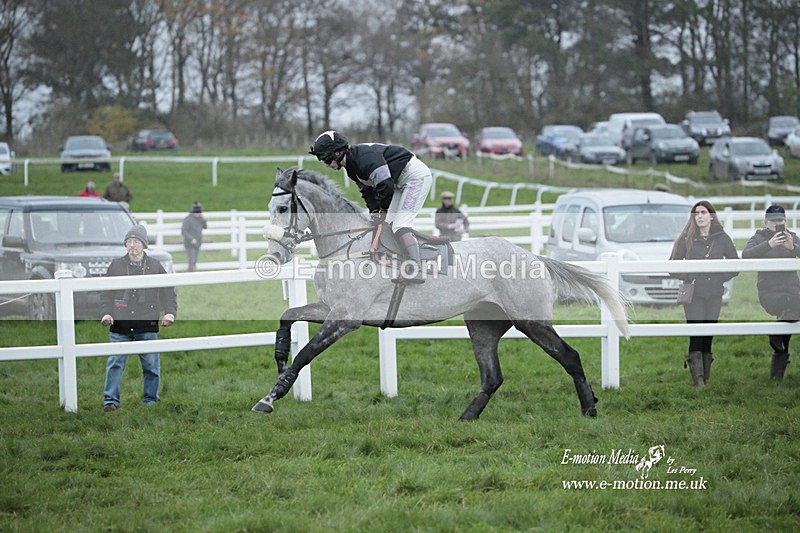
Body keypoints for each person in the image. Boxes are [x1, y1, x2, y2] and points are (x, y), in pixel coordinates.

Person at [309, 130, 433, 283]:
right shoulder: (352, 168)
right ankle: (398, 263)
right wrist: (374, 211)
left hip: (415, 177)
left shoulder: (364, 159)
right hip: (398, 182)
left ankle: (416, 270)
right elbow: (368, 192)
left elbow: (385, 185)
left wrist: (383, 210)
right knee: (387, 224)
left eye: (325, 159)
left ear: (337, 153)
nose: (326, 164)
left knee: (400, 225)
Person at [100, 224, 177, 411]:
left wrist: (170, 312)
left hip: (147, 324)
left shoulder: (155, 266)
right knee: (115, 364)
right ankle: (110, 401)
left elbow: (168, 291)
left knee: (151, 365)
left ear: (144, 245)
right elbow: (105, 293)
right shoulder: (116, 266)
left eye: (136, 241)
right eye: (129, 241)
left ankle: (151, 400)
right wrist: (106, 313)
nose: (132, 245)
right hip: (120, 326)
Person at [669, 200, 739, 387]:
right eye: (696, 213)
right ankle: (698, 379)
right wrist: (690, 277)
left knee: (709, 333)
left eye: (703, 212)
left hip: (714, 293)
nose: (699, 216)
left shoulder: (722, 237)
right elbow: (672, 265)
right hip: (694, 294)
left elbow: (735, 264)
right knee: (696, 333)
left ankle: (706, 376)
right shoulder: (686, 238)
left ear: (711, 216)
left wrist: (718, 278)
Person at [742, 204, 800, 380]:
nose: (777, 224)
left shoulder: (792, 237)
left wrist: (793, 248)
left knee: (788, 318)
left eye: (780, 220)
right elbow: (746, 255)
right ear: (765, 222)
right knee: (789, 312)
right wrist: (768, 244)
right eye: (773, 220)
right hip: (770, 292)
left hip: (793, 291)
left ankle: (776, 375)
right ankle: (777, 367)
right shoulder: (758, 238)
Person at [182, 201, 207, 272]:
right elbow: (184, 231)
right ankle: (191, 272)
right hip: (190, 244)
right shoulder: (187, 219)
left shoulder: (200, 219)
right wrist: (191, 239)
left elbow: (205, 227)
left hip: (198, 242)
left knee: (195, 260)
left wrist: (203, 219)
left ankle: (192, 272)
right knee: (192, 260)